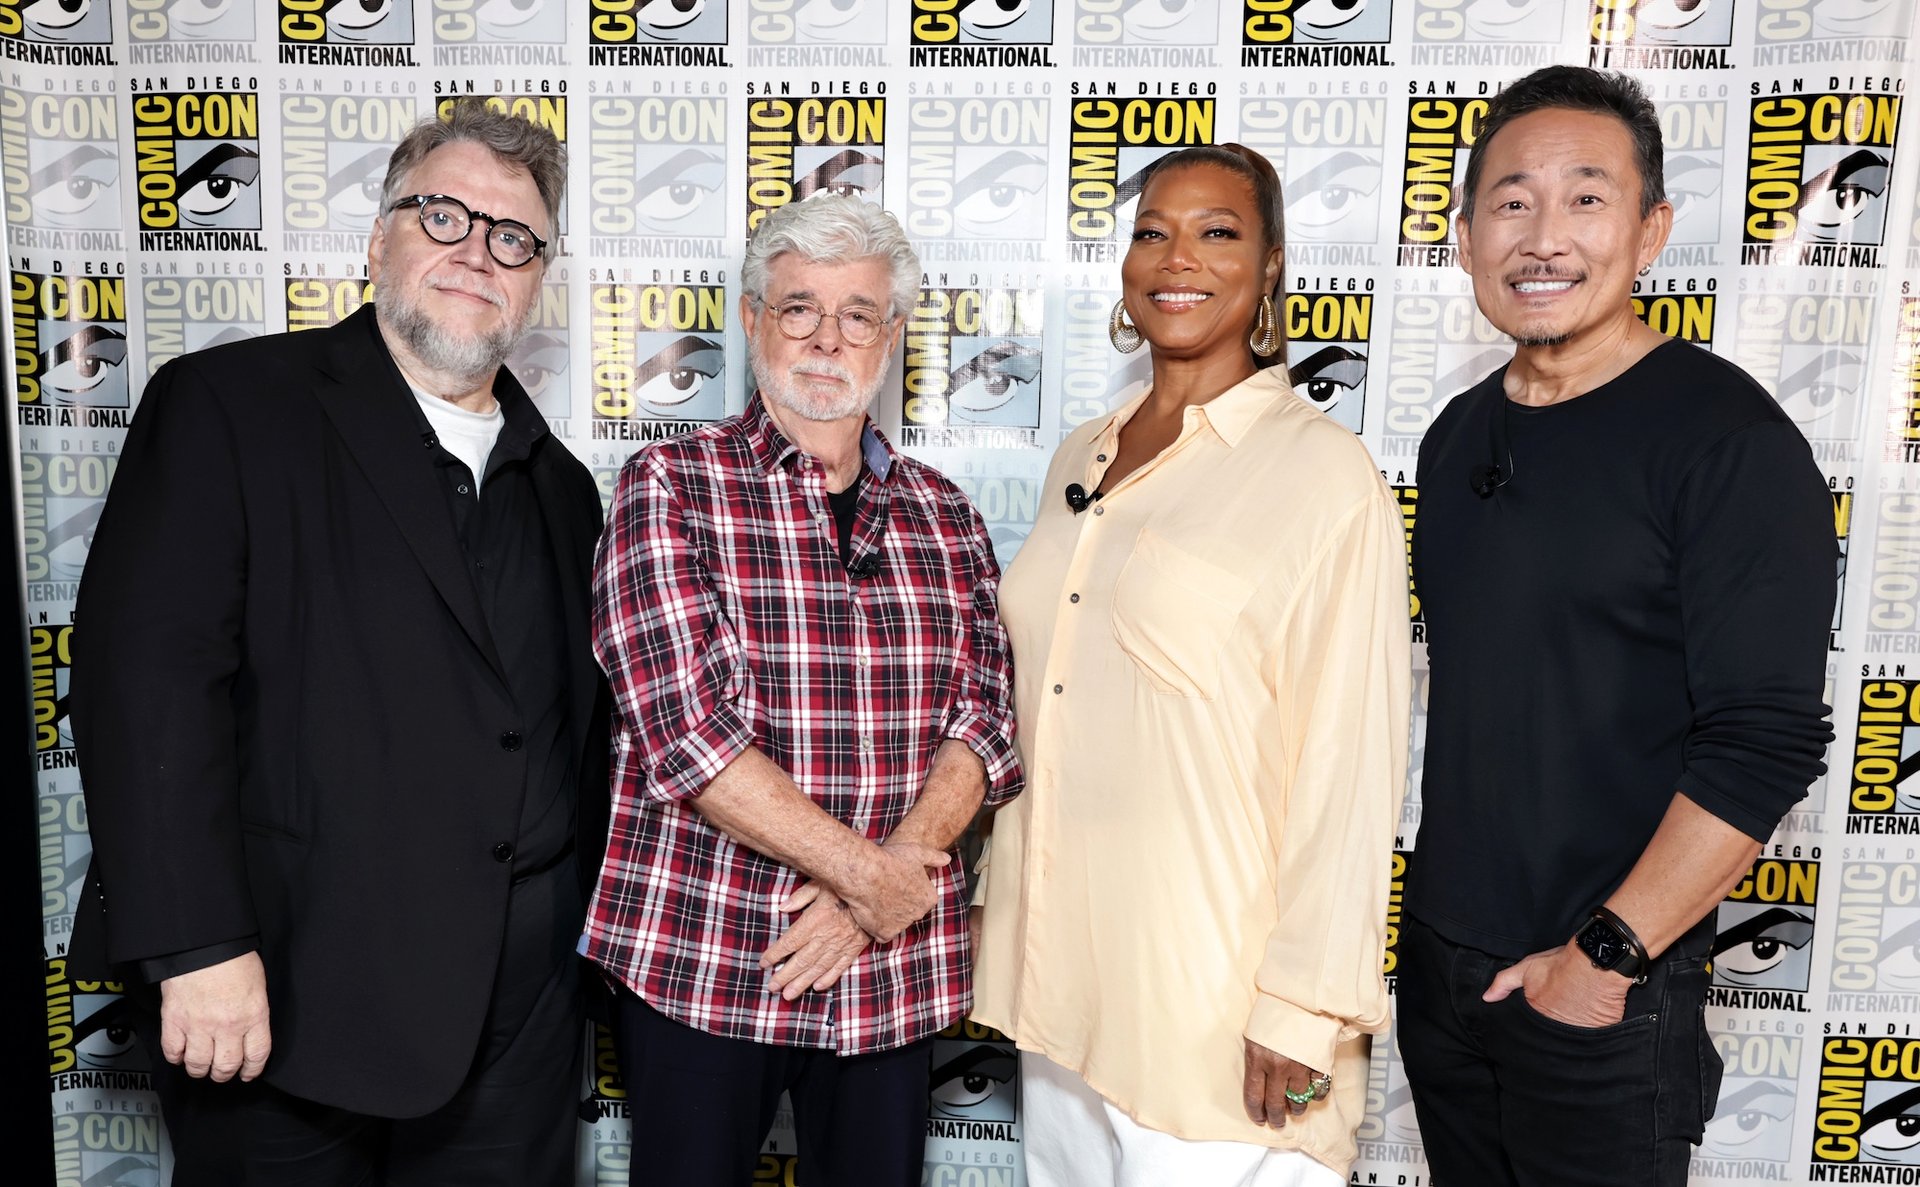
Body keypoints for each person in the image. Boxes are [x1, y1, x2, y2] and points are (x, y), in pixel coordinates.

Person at [68, 99, 607, 1185]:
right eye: (444, 216)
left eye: (514, 238)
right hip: (284, 997)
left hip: (518, 1027)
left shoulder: (565, 487)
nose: (478, 253)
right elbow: (145, 685)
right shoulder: (231, 405)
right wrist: (198, 947)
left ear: (538, 278)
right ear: (377, 237)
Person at [1401, 66, 1835, 1187]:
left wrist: (1605, 956)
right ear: (1465, 236)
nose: (1544, 237)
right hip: (1444, 975)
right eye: (1512, 201)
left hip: (1601, 992)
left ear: (1652, 231)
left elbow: (1764, 742)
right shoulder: (1455, 436)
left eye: (1586, 199)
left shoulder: (1728, 441)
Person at [972, 143, 1410, 1185]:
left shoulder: (1323, 474)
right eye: (1152, 231)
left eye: (1218, 232)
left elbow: (1350, 767)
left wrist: (1302, 1007)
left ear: (1270, 267)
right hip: (1060, 994)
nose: (1178, 257)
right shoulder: (1084, 450)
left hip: (1218, 1016)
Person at [585, 193, 1022, 1187]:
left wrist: (879, 887)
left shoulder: (945, 514)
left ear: (892, 335)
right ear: (752, 319)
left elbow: (986, 720)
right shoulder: (669, 484)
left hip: (889, 972)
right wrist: (871, 879)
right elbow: (687, 733)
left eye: (858, 313)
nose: (828, 338)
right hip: (703, 957)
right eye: (799, 308)